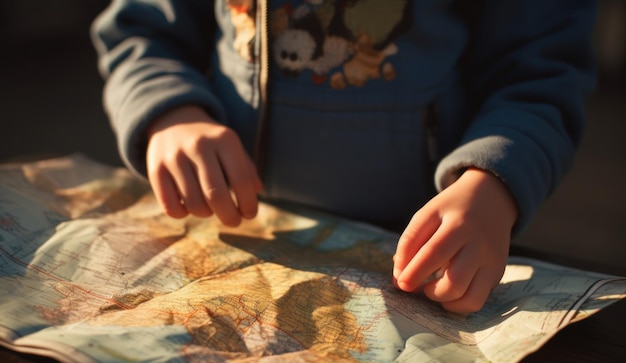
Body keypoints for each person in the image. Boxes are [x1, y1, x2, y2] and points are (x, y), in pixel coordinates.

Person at [91, 0, 596, 313]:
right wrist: (170, 113)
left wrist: (494, 180)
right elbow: (143, 31)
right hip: (237, 234)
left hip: (424, 253)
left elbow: (540, 77)